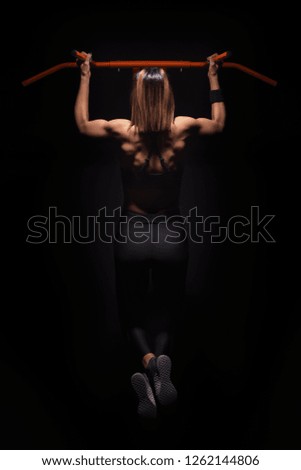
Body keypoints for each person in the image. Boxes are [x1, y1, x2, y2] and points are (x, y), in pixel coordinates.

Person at [74, 52, 226, 419]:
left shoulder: (121, 130)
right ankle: (161, 362)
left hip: (132, 233)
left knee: (130, 310)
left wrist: (85, 75)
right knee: (172, 307)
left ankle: (147, 362)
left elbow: (81, 123)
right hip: (171, 232)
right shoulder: (185, 128)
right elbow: (219, 123)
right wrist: (212, 76)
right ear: (169, 97)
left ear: (137, 98)